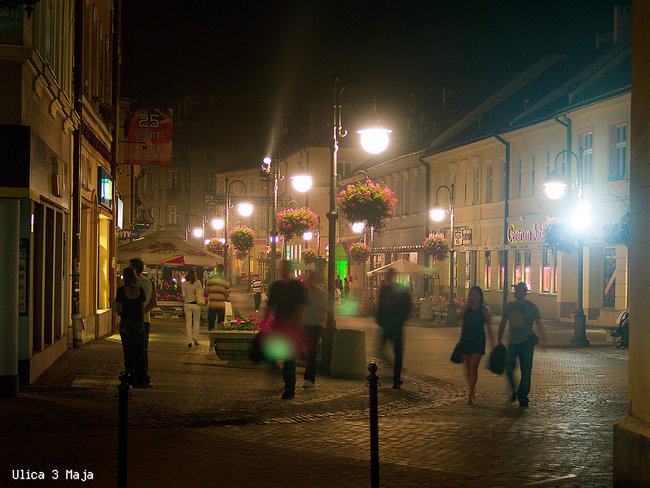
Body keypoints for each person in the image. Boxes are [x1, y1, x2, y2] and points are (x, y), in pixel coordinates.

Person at [497, 282, 546, 408]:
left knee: (526, 370)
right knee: (509, 369)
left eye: (520, 290)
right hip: (513, 342)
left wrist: (544, 338)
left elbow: (538, 322)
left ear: (525, 292)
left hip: (526, 342)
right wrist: (499, 339)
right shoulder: (509, 306)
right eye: (516, 290)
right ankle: (515, 390)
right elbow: (503, 322)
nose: (517, 292)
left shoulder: (531, 307)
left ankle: (523, 396)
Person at [263, 260, 307, 399]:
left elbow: (300, 307)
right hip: (281, 325)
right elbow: (270, 306)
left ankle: (289, 387)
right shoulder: (278, 286)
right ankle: (287, 384)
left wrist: (294, 321)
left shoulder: (294, 286)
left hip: (289, 326)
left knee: (289, 358)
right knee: (284, 356)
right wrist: (265, 321)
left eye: (284, 269)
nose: (283, 271)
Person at [455, 286, 493, 405]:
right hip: (466, 339)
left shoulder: (483, 310)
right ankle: (473, 388)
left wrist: (493, 343)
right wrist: (464, 308)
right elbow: (456, 319)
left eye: (476, 294)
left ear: (480, 296)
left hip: (478, 340)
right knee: (467, 368)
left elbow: (489, 327)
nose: (473, 297)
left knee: (473, 366)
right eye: (471, 294)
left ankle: (470, 394)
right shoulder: (466, 308)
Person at [376, 268, 411, 389]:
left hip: (394, 325)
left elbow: (407, 306)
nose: (387, 277)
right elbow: (380, 306)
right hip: (388, 325)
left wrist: (400, 320)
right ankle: (393, 373)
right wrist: (380, 321)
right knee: (383, 350)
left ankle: (396, 378)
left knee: (397, 353)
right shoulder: (384, 289)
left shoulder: (398, 289)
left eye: (388, 275)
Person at [113, 267, 148, 387]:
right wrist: (140, 321)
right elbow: (142, 309)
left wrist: (123, 316)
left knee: (127, 350)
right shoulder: (140, 290)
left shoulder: (121, 290)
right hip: (138, 323)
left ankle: (129, 376)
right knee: (139, 350)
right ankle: (142, 377)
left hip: (126, 323)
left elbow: (117, 308)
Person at [129, 258, 156, 387]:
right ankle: (143, 374)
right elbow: (153, 303)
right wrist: (144, 312)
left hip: (138, 320)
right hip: (145, 319)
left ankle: (137, 375)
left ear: (134, 269)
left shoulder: (135, 284)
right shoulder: (149, 283)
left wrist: (138, 313)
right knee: (143, 349)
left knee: (135, 349)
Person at [302, 270, 327, 388]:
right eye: (309, 277)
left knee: (311, 351)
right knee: (307, 350)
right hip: (305, 324)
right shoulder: (304, 292)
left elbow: (323, 309)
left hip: (315, 325)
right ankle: (308, 376)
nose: (310, 280)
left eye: (312, 277)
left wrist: (324, 322)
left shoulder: (320, 293)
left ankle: (309, 378)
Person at [181, 269, 203, 347]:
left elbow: (183, 295)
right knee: (196, 322)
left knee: (188, 323)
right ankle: (195, 338)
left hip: (187, 304)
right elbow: (201, 293)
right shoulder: (198, 282)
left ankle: (189, 341)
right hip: (196, 304)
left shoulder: (184, 284)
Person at [206, 264, 231, 330]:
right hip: (221, 304)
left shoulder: (210, 279)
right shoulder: (225, 280)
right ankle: (219, 335)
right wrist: (225, 298)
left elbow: (207, 291)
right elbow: (227, 292)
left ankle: (211, 335)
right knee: (221, 322)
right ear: (223, 271)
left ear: (216, 270)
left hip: (212, 304)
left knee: (211, 321)